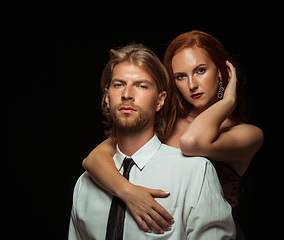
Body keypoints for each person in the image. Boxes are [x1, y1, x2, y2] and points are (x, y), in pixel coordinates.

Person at [82, 31, 264, 237]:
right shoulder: (165, 122)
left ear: (222, 72)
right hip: (158, 229)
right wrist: (128, 192)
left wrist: (228, 101)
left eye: (200, 71)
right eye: (181, 76)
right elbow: (94, 159)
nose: (192, 84)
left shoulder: (248, 134)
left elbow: (191, 142)